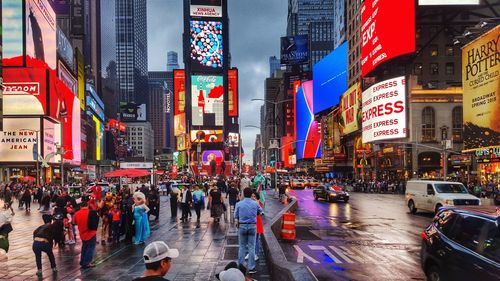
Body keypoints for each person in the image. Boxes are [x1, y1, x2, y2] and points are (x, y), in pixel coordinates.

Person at [235, 188, 262, 274]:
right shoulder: (255, 203)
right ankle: (251, 268)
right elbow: (261, 212)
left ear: (243, 193)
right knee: (251, 247)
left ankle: (241, 266)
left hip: (242, 226)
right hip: (252, 226)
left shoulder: (239, 204)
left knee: (242, 246)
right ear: (251, 194)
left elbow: (236, 216)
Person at [73, 199, 99, 269]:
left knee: (84, 247)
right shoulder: (91, 212)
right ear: (87, 206)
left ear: (80, 206)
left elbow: (74, 222)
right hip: (91, 233)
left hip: (82, 234)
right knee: (90, 248)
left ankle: (82, 261)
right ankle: (87, 263)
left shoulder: (76, 213)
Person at [246, 191, 264, 261]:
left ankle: (256, 254)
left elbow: (260, 212)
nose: (253, 198)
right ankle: (250, 253)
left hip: (257, 224)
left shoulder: (258, 204)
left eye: (254, 196)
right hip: (249, 223)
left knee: (256, 240)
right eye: (252, 196)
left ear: (257, 198)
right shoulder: (249, 204)